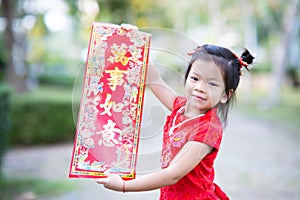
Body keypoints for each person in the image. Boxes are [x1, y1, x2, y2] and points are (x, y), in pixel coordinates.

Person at [96, 44, 254, 200]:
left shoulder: (207, 130)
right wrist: (133, 41)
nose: (199, 87)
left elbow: (173, 174)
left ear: (225, 95)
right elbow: (154, 79)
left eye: (212, 83)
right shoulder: (180, 107)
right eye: (195, 78)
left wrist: (124, 186)